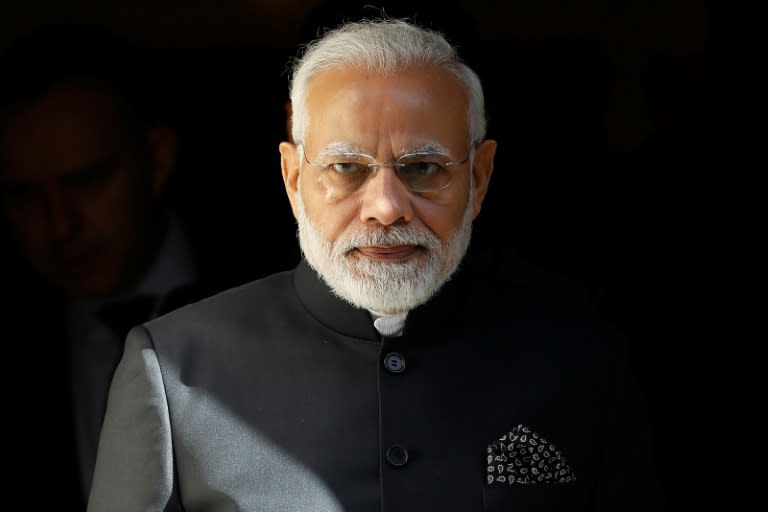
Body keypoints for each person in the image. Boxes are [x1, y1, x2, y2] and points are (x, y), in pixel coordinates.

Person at [87, 17, 664, 511]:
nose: (386, 208)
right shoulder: (173, 371)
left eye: (423, 168)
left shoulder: (580, 361)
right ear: (293, 179)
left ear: (479, 178)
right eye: (346, 168)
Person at [0, 25, 239, 508]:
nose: (59, 225)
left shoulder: (287, 285)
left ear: (157, 159)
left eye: (87, 181)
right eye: (25, 195)